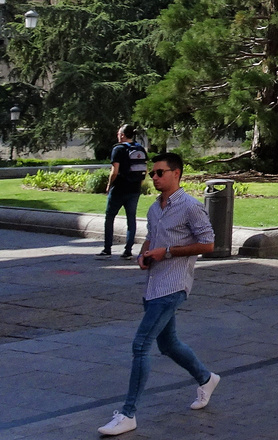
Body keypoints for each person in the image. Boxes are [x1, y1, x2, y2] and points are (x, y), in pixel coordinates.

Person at [97, 152, 219, 437]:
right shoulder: (155, 208)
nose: (153, 177)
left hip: (174, 286)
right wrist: (144, 254)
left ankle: (128, 413)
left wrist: (167, 252)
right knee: (169, 344)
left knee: (141, 345)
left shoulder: (191, 206)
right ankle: (205, 377)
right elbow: (152, 237)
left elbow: (209, 244)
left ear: (176, 174)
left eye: (159, 172)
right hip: (154, 284)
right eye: (152, 173)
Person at [100, 125, 149, 260]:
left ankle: (107, 249)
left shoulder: (118, 149)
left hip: (119, 189)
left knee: (110, 217)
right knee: (131, 219)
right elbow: (144, 168)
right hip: (134, 189)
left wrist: (109, 185)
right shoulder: (140, 149)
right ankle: (128, 250)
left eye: (118, 133)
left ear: (122, 135)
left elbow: (114, 171)